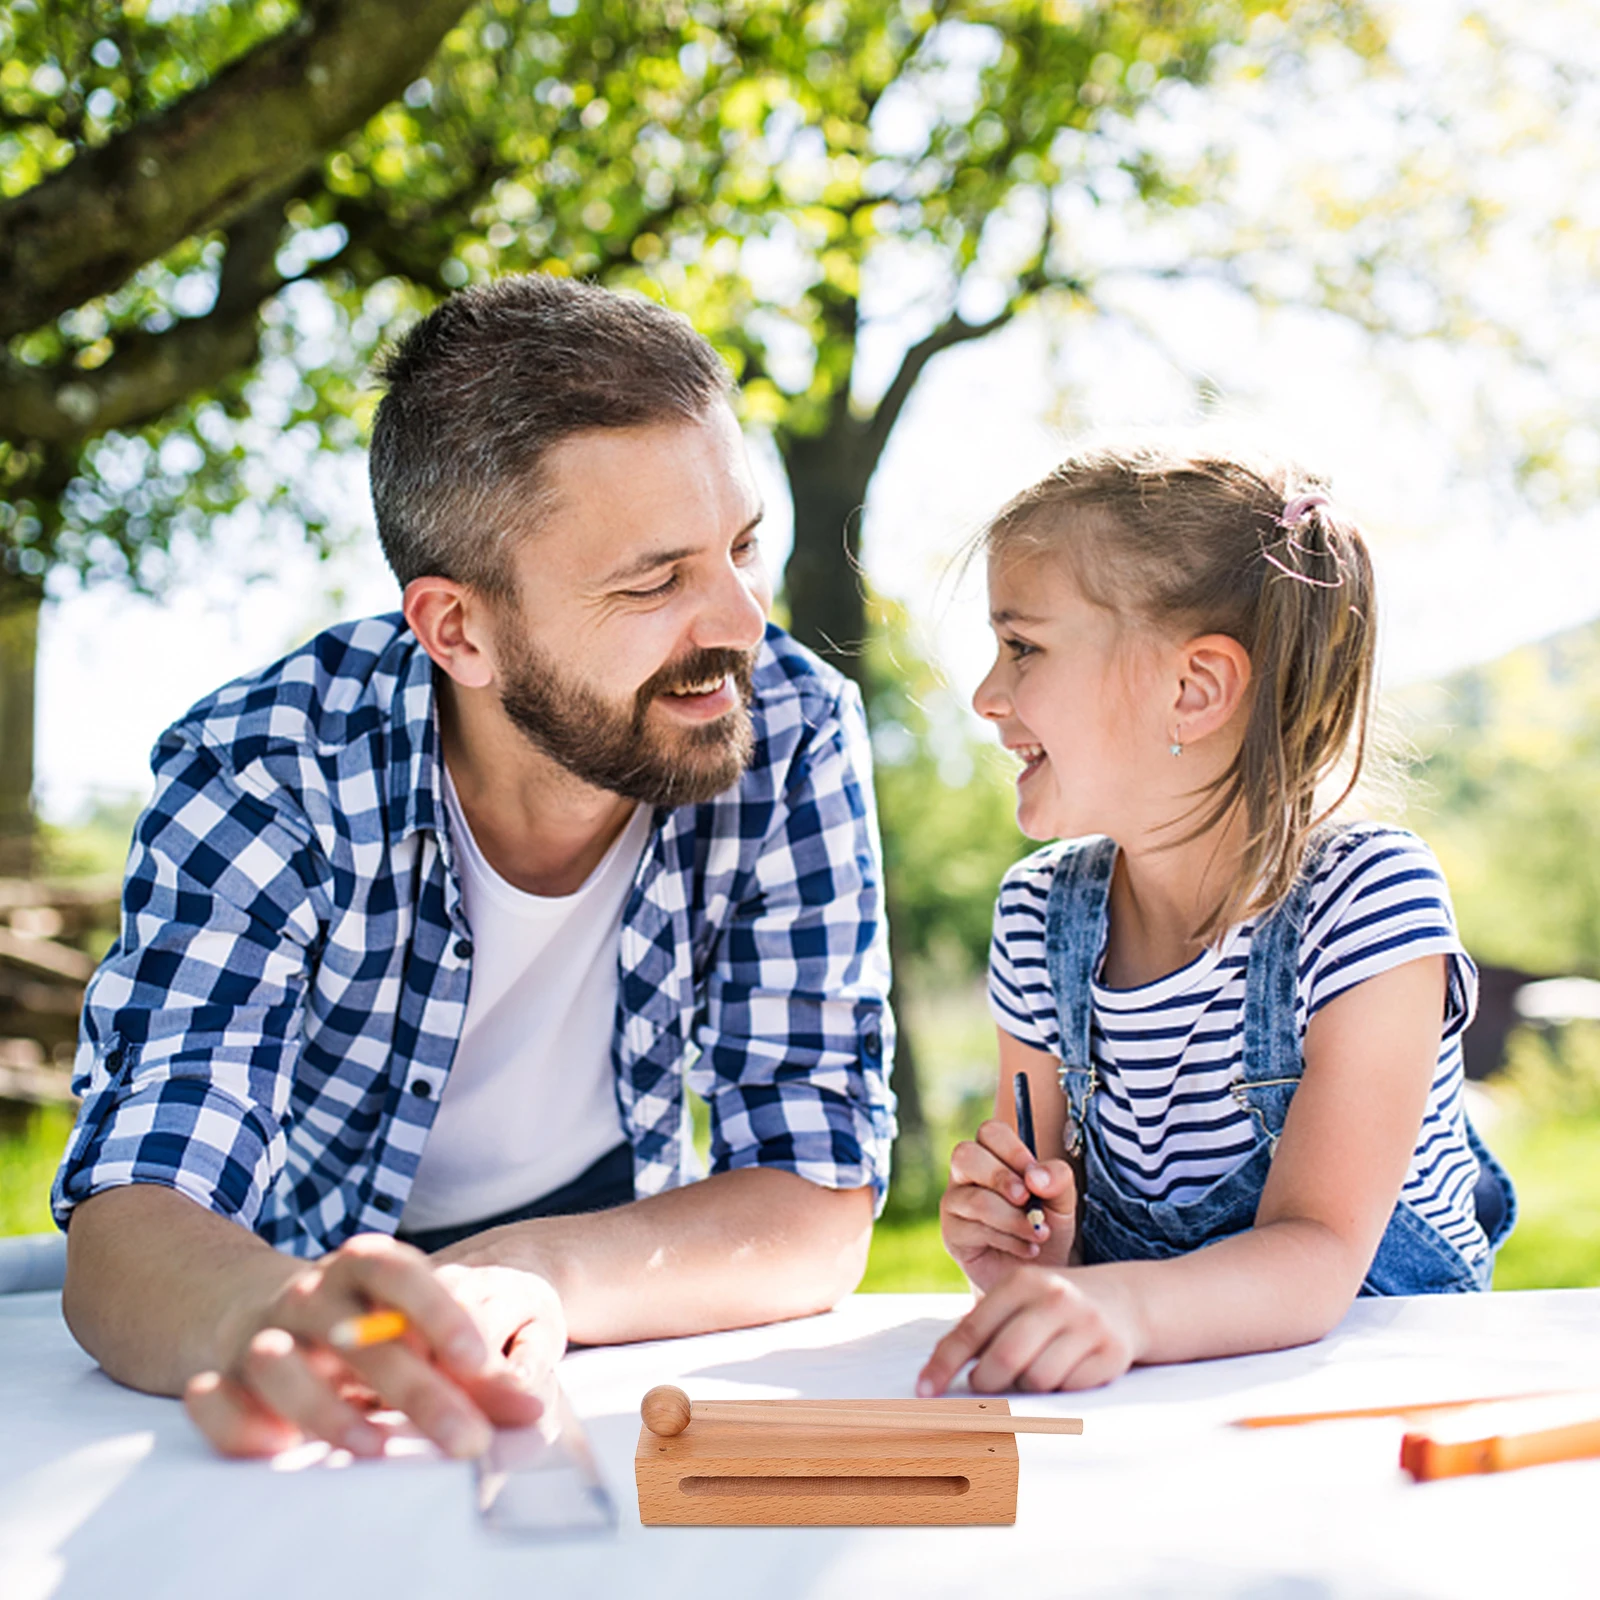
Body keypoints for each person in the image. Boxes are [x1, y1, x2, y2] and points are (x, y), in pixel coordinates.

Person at [53, 274, 896, 1459]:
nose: (744, 621)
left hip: (610, 1278)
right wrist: (275, 1315)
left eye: (744, 546)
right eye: (655, 581)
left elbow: (814, 1199)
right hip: (309, 1259)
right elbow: (136, 1215)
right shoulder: (264, 768)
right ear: (458, 631)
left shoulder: (787, 727)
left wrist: (526, 1271)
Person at [917, 438, 1514, 1398]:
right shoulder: (1038, 918)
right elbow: (1053, 1240)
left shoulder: (1366, 903)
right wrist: (1036, 1255)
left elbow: (1317, 1252)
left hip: (1372, 1401)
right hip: (1159, 1416)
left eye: (1023, 645)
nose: (986, 696)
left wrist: (1128, 1307)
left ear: (1192, 691)